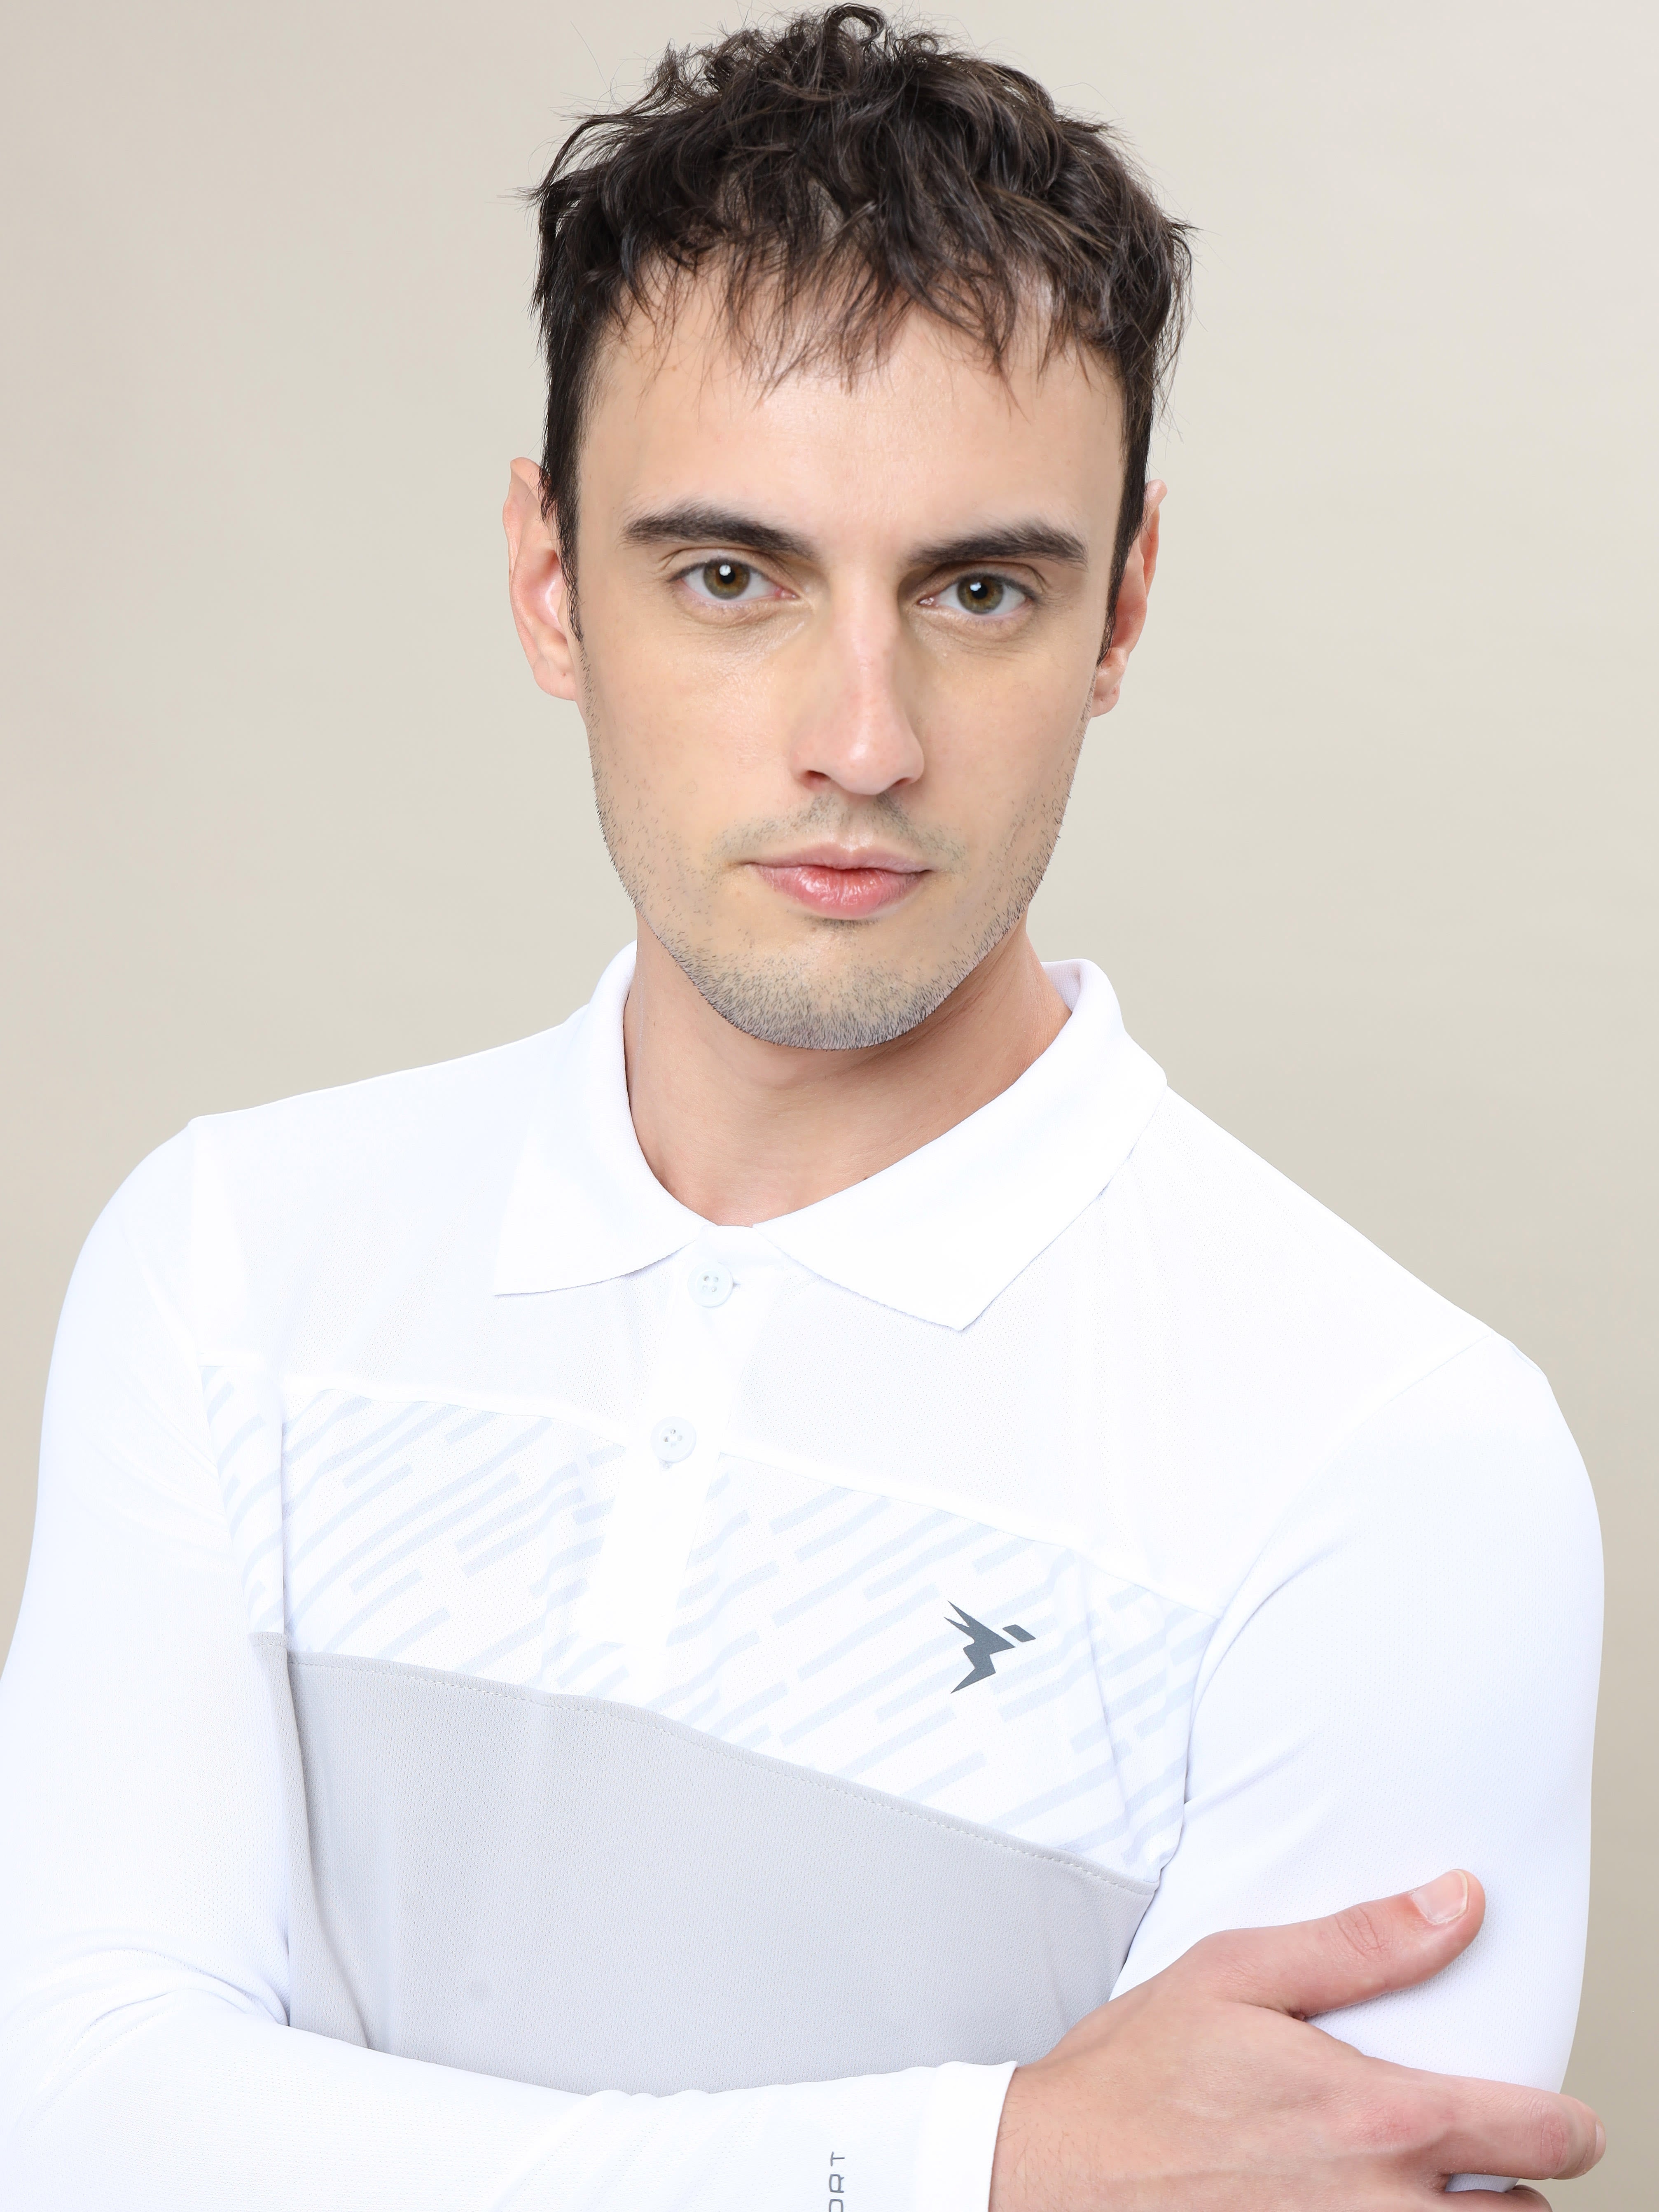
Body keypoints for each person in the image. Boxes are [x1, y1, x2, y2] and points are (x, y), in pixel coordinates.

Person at [0, 8, 1605, 2207]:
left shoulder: (1398, 1461)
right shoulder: (230, 1267)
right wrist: (983, 2163)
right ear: (549, 581)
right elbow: (73, 2123)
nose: (863, 738)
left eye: (979, 588)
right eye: (731, 577)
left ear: (1123, 606)